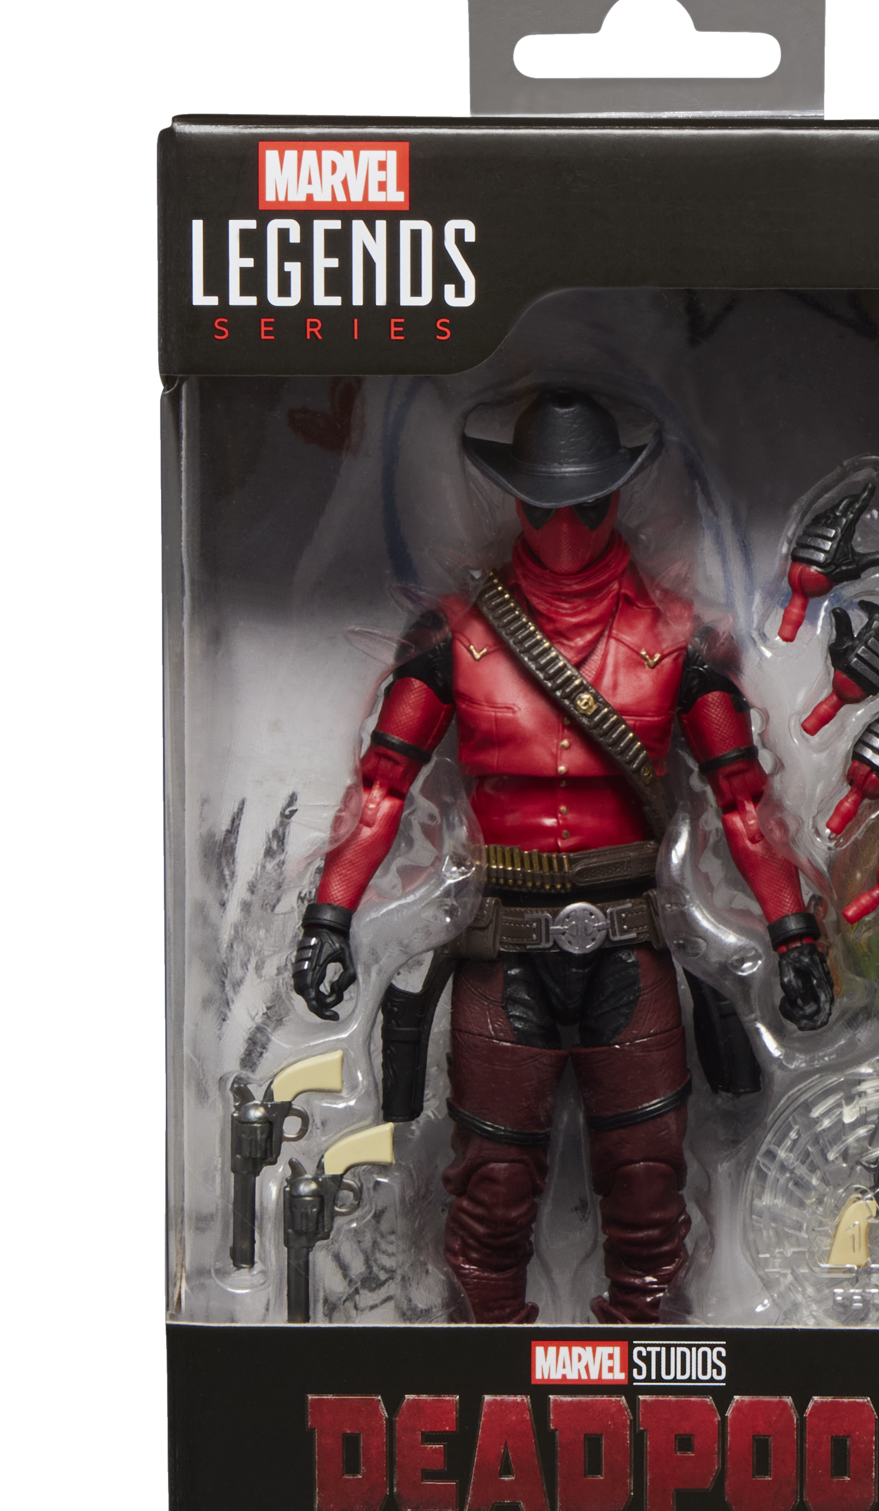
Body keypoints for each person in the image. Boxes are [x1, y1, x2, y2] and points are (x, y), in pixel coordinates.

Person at [291, 389, 833, 1322]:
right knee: (490, 1200)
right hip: (503, 950)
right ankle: (491, 1383)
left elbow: (744, 803)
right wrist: (329, 918)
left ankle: (644, 1386)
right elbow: (381, 788)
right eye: (545, 505)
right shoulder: (454, 637)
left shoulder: (680, 641)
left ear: (618, 495)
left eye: (588, 502)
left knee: (650, 1198)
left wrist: (793, 935)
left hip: (629, 945)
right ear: (515, 499)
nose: (568, 527)